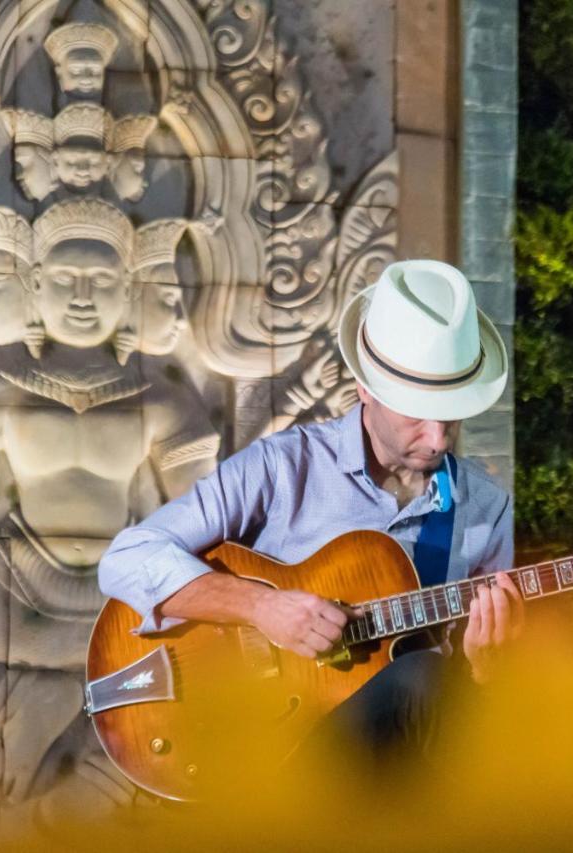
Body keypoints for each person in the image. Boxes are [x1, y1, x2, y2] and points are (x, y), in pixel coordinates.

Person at [98, 259, 521, 765]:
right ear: (366, 388)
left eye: (449, 418)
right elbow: (125, 558)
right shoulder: (284, 467)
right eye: (417, 415)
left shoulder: (486, 508)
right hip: (273, 743)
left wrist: (488, 672)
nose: (437, 440)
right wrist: (261, 608)